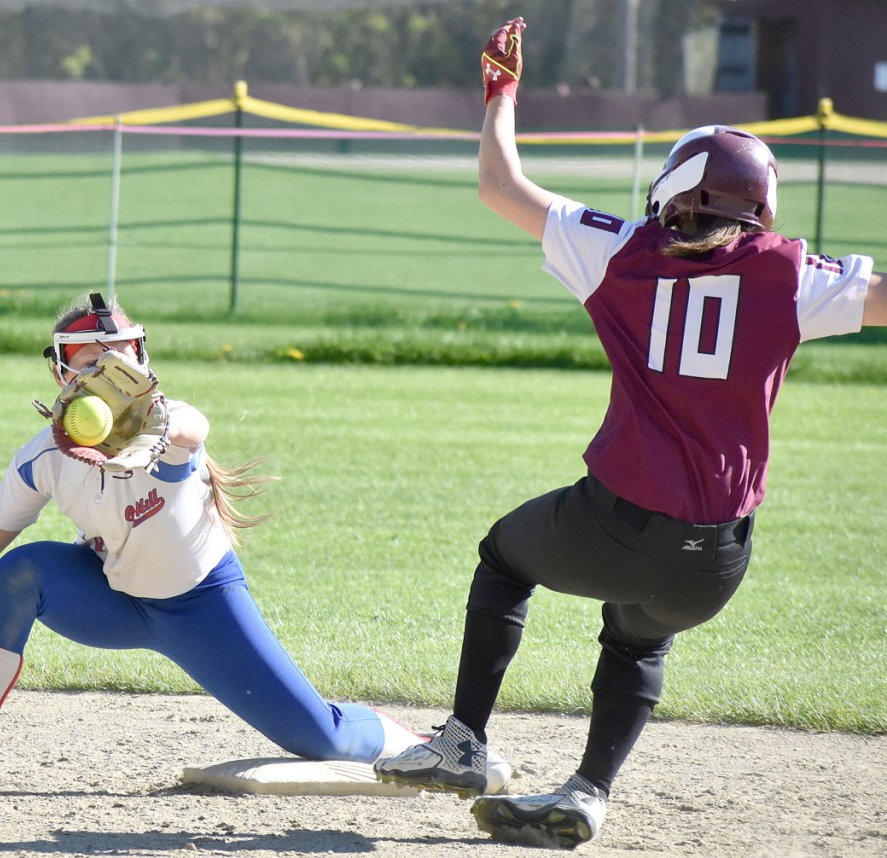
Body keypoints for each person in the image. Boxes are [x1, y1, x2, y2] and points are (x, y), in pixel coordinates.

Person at [375, 16, 887, 849]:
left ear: (678, 188)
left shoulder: (622, 252)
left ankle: (463, 742)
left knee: (504, 560)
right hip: (719, 562)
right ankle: (589, 792)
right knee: (638, 634)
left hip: (614, 523)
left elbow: (500, 186)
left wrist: (501, 92)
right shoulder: (793, 275)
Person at [0, 292, 431, 793]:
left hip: (202, 606)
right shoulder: (44, 456)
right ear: (61, 375)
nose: (105, 376)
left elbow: (195, 425)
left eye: (118, 360)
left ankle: (414, 744)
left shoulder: (164, 428)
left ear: (142, 364)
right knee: (21, 570)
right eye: (90, 363)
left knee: (321, 738)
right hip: (111, 602)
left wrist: (157, 428)